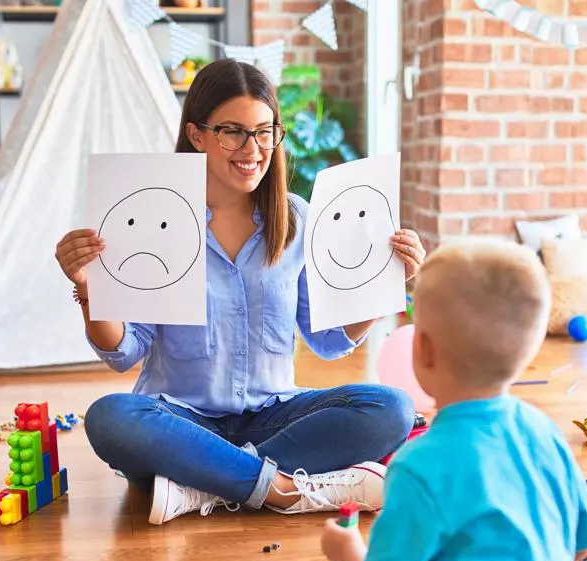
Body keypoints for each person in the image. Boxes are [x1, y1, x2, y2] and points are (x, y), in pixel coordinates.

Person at [154, 241, 587, 561]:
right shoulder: (544, 430)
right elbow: (585, 541)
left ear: (422, 349)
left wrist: (349, 552)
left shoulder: (421, 465)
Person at [54, 59, 425, 525]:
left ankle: (202, 485)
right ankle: (280, 488)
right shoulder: (156, 217)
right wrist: (88, 289)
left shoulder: (296, 220)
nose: (253, 148)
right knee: (110, 417)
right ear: (196, 134)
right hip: (180, 421)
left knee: (391, 408)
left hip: (273, 414)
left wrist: (381, 281)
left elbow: (328, 341)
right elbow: (124, 352)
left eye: (265, 131)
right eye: (233, 131)